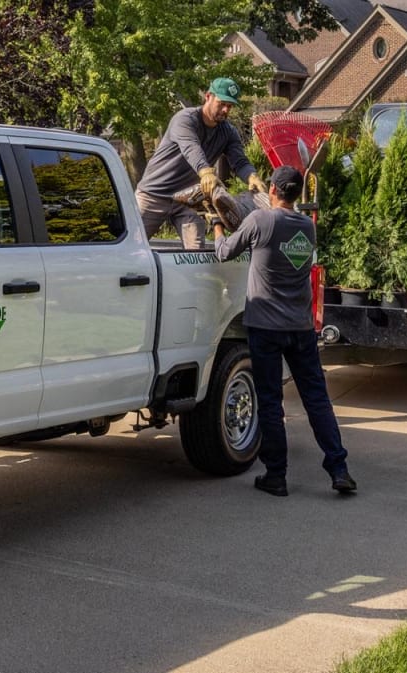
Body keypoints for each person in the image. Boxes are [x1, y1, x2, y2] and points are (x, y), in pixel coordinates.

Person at [213, 165, 356, 497]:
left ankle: (276, 476)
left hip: (265, 326)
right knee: (317, 399)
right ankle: (339, 469)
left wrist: (217, 224)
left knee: (271, 401)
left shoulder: (261, 221)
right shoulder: (307, 226)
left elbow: (223, 252)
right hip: (301, 328)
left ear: (273, 191)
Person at [136, 77, 267, 248]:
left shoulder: (228, 132)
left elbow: (239, 161)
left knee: (196, 253)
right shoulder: (185, 119)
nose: (226, 110)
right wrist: (206, 172)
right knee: (131, 246)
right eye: (222, 103)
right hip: (153, 195)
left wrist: (252, 176)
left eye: (230, 106)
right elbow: (191, 148)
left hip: (188, 199)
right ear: (208, 97)